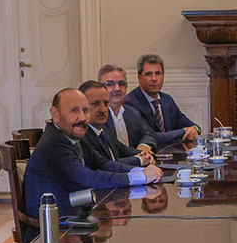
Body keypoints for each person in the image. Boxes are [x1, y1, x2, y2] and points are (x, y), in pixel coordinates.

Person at [26, 86, 163, 214]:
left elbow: (102, 163)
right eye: (74, 110)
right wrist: (142, 177)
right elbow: (89, 179)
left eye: (85, 110)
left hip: (74, 208)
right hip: (53, 222)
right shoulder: (53, 144)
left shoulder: (72, 135)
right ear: (55, 114)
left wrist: (140, 171)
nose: (82, 118)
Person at [121, 53, 198, 151]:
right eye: (149, 74)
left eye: (158, 73)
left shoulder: (166, 99)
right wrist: (184, 132)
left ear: (163, 76)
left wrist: (195, 129)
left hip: (172, 157)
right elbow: (152, 136)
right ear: (139, 77)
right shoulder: (130, 102)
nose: (154, 79)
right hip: (148, 158)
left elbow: (188, 124)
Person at [79, 79, 152, 171]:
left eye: (106, 103)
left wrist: (143, 153)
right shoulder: (81, 136)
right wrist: (139, 160)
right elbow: (104, 165)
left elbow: (123, 149)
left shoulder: (104, 130)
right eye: (95, 104)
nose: (103, 109)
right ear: (82, 107)